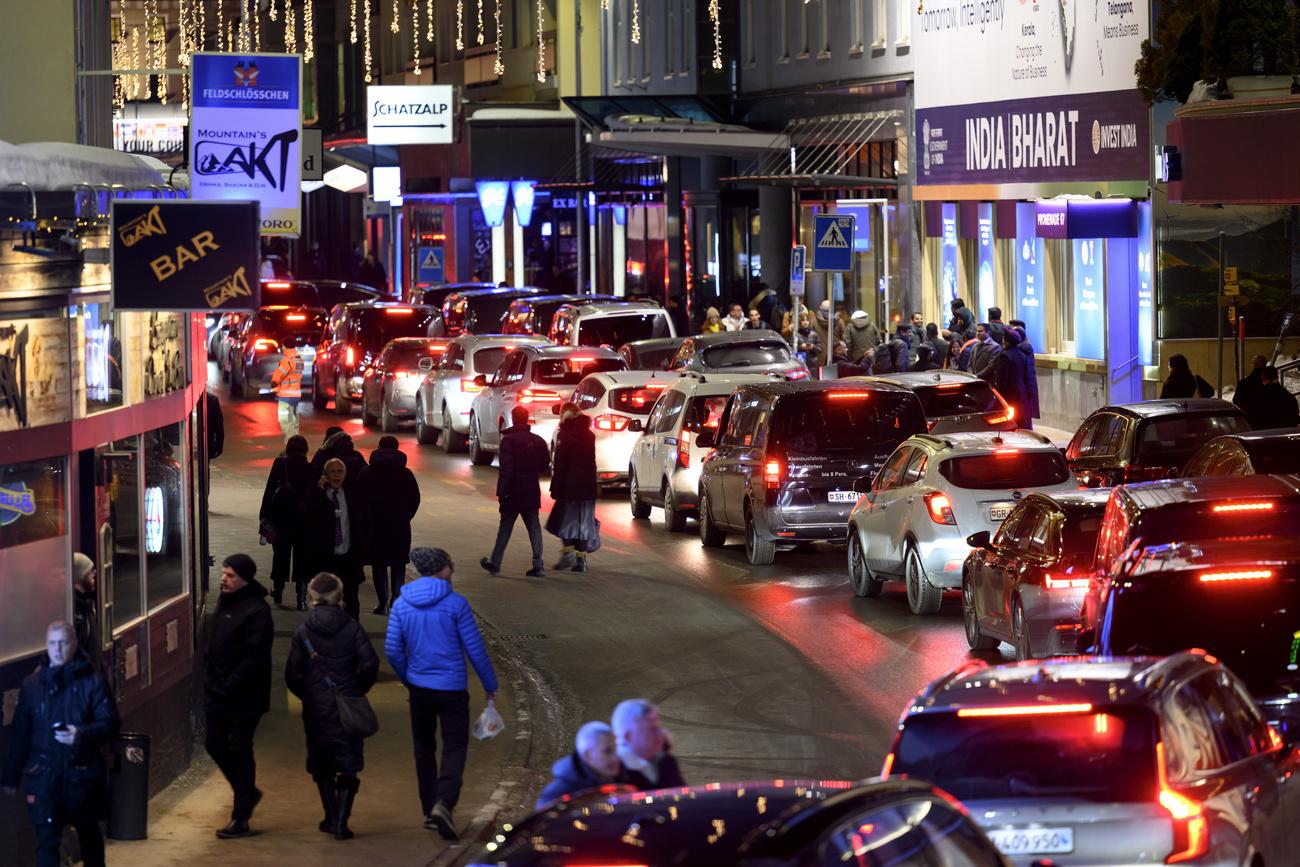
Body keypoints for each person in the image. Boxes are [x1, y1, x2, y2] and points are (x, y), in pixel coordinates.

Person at [386, 547, 499, 841]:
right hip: (451, 689)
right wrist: (489, 684)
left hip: (419, 689)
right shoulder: (456, 604)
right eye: (450, 562)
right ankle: (444, 803)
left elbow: (393, 650)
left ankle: (429, 811)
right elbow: (474, 648)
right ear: (440, 569)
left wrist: (408, 679)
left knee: (423, 749)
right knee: (454, 748)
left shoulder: (401, 603)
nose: (454, 565)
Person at [1, 621, 118, 867]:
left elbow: (110, 722)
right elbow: (22, 733)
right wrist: (11, 776)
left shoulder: (92, 682)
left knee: (89, 836)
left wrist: (81, 734)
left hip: (82, 776)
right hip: (45, 778)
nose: (57, 648)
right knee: (47, 841)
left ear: (74, 645)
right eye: (53, 643)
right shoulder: (32, 686)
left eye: (63, 643)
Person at [285, 572, 381, 841]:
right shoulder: (352, 628)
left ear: (312, 597)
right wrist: (355, 690)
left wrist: (309, 694)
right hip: (346, 704)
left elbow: (292, 674)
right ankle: (342, 823)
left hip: (316, 708)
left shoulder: (303, 631)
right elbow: (370, 664)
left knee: (321, 762)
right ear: (341, 596)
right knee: (348, 762)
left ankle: (329, 815)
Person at [204, 554, 274, 838]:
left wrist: (231, 681)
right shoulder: (226, 602)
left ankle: (241, 816)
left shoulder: (257, 611)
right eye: (223, 573)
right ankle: (247, 792)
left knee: (241, 749)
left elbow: (255, 655)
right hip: (218, 691)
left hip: (245, 695)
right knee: (214, 743)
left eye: (230, 575)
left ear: (245, 579)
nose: (224, 579)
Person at [481, 405, 550, 577]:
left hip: (512, 491)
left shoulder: (508, 441)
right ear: (527, 419)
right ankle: (538, 565)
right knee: (534, 527)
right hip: (531, 489)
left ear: (513, 418)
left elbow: (506, 469)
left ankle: (495, 563)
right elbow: (544, 465)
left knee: (505, 528)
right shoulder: (538, 440)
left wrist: (501, 492)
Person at [301, 458, 371, 617]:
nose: (336, 475)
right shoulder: (316, 493)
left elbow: (366, 521)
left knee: (351, 600)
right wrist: (318, 490)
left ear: (345, 474)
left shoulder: (354, 494)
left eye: (340, 471)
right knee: (325, 600)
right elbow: (306, 517)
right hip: (325, 558)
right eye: (332, 472)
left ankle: (351, 632)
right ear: (325, 475)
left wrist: (362, 547)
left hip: (349, 557)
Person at [359, 436, 421, 614]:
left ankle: (382, 604)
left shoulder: (367, 473)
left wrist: (366, 520)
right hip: (399, 526)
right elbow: (415, 499)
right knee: (398, 563)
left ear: (378, 448)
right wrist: (405, 517)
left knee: (379, 564)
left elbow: (360, 499)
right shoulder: (406, 473)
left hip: (375, 526)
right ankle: (396, 600)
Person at [260, 435, 314, 608]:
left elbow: (270, 490)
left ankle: (278, 591)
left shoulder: (280, 464)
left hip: (281, 517)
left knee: (281, 555)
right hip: (304, 521)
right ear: (305, 450)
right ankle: (302, 598)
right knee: (302, 557)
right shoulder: (311, 468)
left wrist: (264, 515)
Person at [548, 404, 600, 572]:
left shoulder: (564, 435)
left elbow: (560, 465)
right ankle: (581, 562)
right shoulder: (589, 435)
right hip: (587, 486)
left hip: (569, 487)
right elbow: (591, 463)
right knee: (584, 524)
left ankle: (568, 554)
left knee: (562, 521)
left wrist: (555, 487)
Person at [536, 721, 629, 808]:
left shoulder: (628, 779)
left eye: (616, 749)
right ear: (587, 755)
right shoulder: (557, 796)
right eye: (607, 751)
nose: (616, 757)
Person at [611, 699, 686, 790]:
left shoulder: (666, 762)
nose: (660, 734)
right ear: (627, 736)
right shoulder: (612, 776)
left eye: (658, 728)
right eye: (651, 730)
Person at [991, 329, 1032, 429]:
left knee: (1010, 424)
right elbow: (1027, 377)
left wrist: (999, 399)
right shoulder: (1023, 355)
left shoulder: (1004, 356)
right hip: (1022, 394)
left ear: (1006, 340)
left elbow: (1002, 380)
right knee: (1021, 423)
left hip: (1010, 396)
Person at [271, 335, 306, 440]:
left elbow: (279, 375)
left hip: (286, 396)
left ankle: (290, 445)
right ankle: (296, 442)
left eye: (283, 346)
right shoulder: (299, 359)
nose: (282, 348)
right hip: (296, 395)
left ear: (286, 346)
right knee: (294, 421)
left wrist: (274, 382)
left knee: (286, 421)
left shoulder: (287, 360)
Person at [71, 553, 99, 659]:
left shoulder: (85, 604)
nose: (94, 573)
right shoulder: (76, 611)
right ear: (80, 575)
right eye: (89, 571)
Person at [207, 389, 225, 460]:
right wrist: (219, 446)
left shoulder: (212, 400)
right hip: (208, 445)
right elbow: (219, 427)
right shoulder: (212, 400)